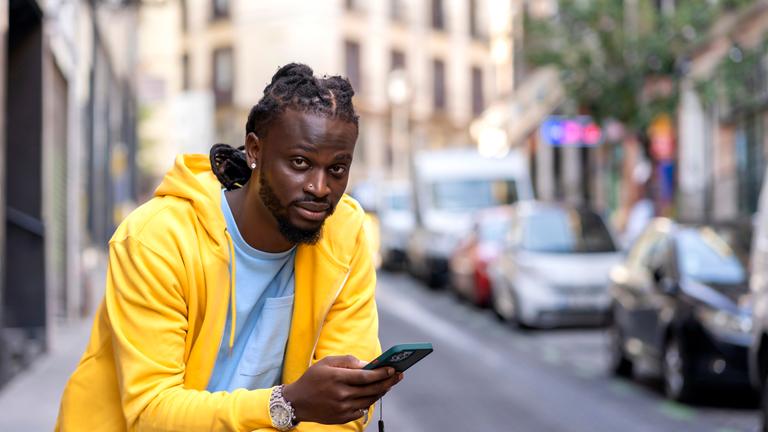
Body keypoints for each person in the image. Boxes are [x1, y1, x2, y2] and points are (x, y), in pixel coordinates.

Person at [56, 63, 401, 431]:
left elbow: (339, 410)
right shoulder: (156, 240)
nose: (320, 187)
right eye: (300, 163)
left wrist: (343, 398)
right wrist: (288, 403)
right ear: (255, 150)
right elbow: (150, 413)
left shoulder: (345, 232)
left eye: (337, 169)